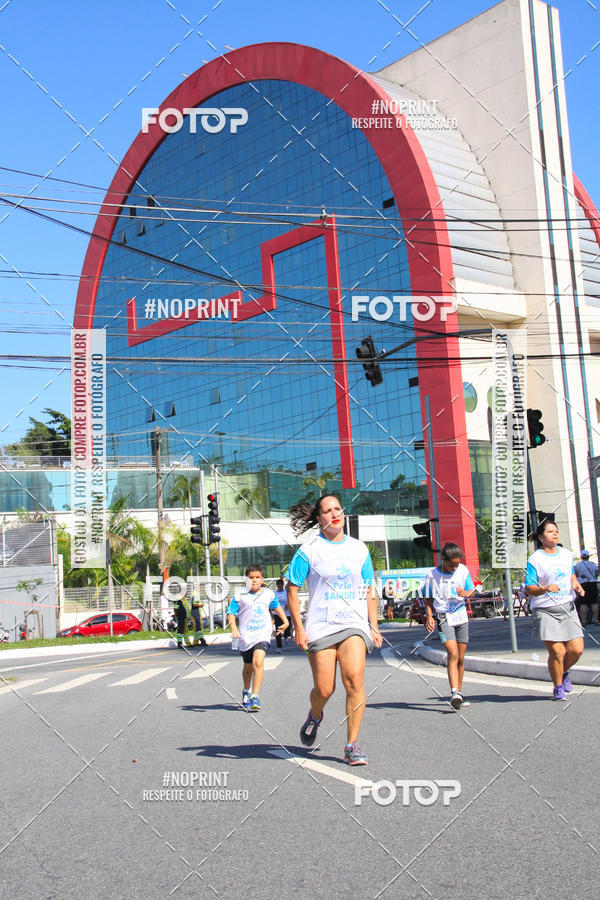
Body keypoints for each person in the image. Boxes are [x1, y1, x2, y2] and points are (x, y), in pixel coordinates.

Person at [286, 495, 383, 766]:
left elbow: (368, 589)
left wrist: (373, 626)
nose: (334, 514)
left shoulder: (359, 549)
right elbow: (292, 589)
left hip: (353, 624)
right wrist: (299, 628)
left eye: (338, 509)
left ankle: (352, 745)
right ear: (319, 518)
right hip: (320, 626)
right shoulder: (309, 550)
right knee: (324, 689)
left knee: (354, 679)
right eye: (327, 511)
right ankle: (315, 715)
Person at [525, 520, 585, 700]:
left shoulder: (567, 554)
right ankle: (558, 686)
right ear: (542, 537)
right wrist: (545, 588)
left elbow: (571, 575)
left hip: (567, 607)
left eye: (556, 531)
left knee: (577, 650)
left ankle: (563, 672)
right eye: (550, 532)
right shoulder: (535, 559)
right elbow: (529, 588)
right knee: (557, 652)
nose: (555, 534)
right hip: (545, 610)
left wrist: (576, 585)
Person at [227, 564, 288, 712]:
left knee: (258, 661)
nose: (254, 580)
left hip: (263, 633)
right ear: (246, 580)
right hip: (246, 636)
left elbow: (276, 607)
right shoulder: (240, 594)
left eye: (257, 577)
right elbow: (230, 612)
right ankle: (246, 690)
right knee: (248, 667)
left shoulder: (268, 594)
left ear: (262, 579)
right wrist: (234, 628)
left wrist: (285, 621)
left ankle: (255, 696)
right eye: (251, 578)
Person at [423, 542, 476, 711]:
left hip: (460, 616)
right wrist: (429, 616)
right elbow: (428, 598)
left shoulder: (463, 570)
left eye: (457, 564)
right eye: (451, 564)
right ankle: (454, 692)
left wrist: (467, 593)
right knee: (452, 653)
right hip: (443, 616)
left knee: (461, 657)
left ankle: (459, 693)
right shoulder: (432, 575)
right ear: (443, 560)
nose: (455, 567)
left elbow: (472, 589)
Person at [574, 550, 599, 627]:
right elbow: (596, 574)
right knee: (594, 603)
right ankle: (596, 620)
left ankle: (584, 621)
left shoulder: (578, 565)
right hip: (592, 583)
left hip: (583, 585)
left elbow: (576, 575)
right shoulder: (593, 564)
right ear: (588, 556)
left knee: (583, 603)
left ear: (581, 557)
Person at [273, 578, 291, 651]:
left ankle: (286, 636)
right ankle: (279, 647)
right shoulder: (274, 593)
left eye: (281, 584)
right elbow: (272, 602)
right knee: (278, 629)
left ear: (283, 585)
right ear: (277, 585)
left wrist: (288, 604)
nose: (280, 586)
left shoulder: (286, 592)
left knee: (287, 627)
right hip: (277, 614)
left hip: (286, 613)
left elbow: (290, 599)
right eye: (278, 585)